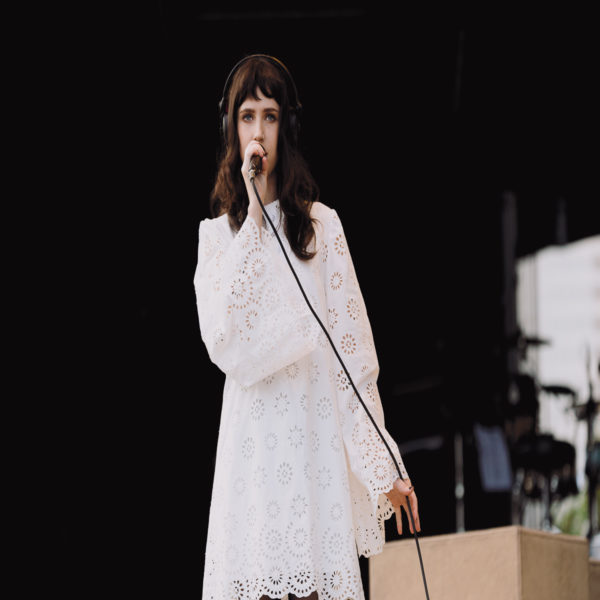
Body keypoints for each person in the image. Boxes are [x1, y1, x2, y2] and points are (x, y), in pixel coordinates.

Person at [194, 54, 421, 600]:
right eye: (247, 116)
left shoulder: (323, 227)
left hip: (310, 457)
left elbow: (353, 360)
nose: (258, 131)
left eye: (270, 116)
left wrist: (382, 465)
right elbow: (223, 338)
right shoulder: (217, 238)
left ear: (287, 126)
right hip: (253, 460)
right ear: (231, 129)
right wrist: (253, 216)